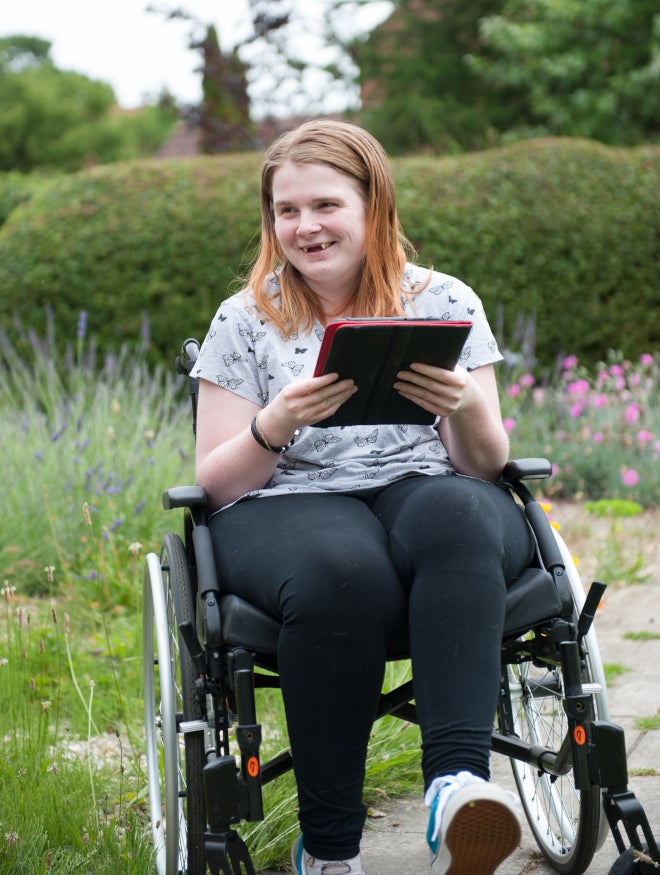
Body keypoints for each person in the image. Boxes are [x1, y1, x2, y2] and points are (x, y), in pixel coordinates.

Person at [193, 119, 533, 875]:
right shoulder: (245, 317)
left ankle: (456, 786)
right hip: (289, 502)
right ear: (270, 220)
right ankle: (331, 847)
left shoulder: (443, 300)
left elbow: (483, 466)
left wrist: (468, 407)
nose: (305, 226)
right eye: (287, 210)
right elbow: (211, 482)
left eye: (325, 205)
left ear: (372, 204)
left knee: (456, 514)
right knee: (341, 567)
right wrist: (275, 422)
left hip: (427, 488)